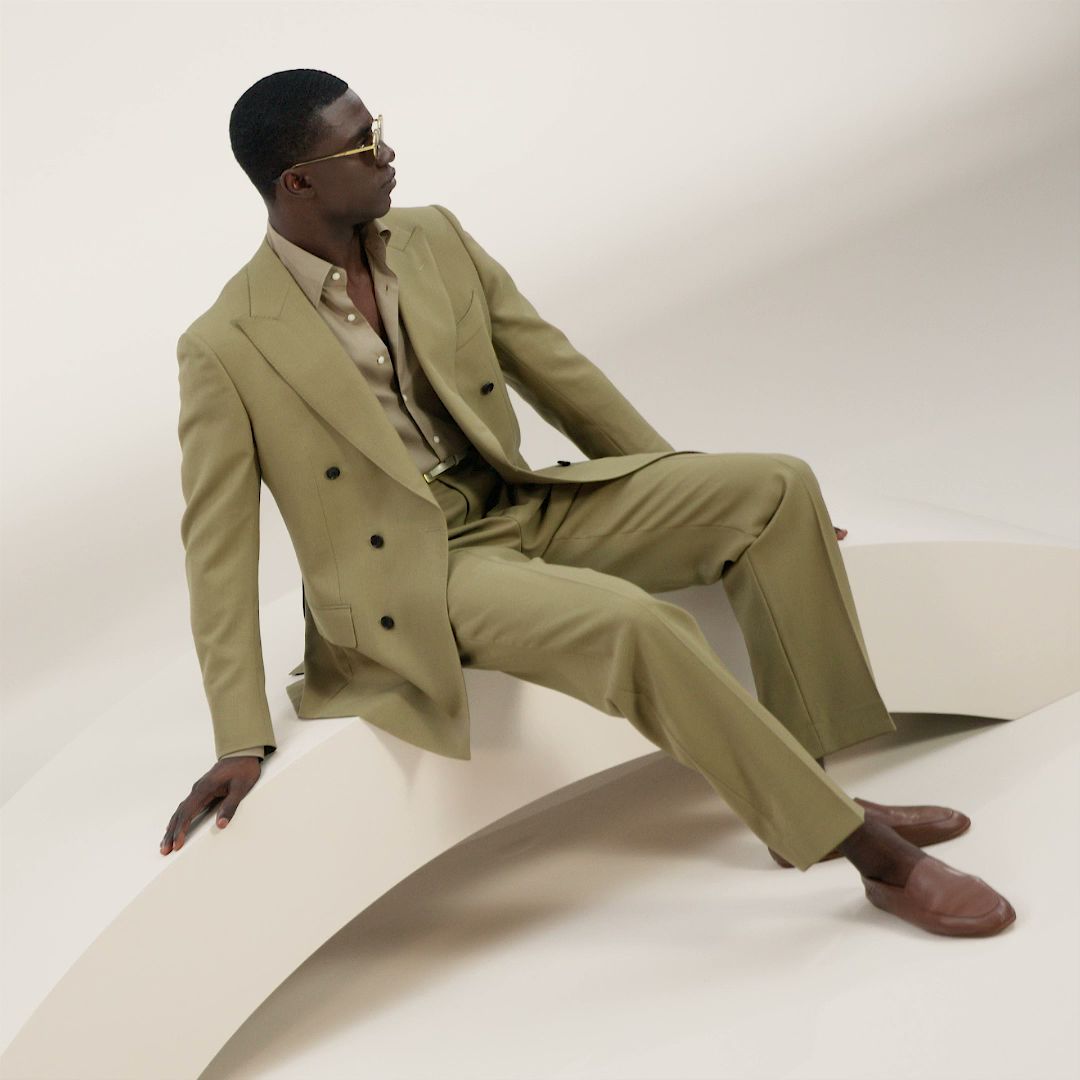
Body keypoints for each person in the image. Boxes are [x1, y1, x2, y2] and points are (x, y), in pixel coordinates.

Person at [160, 69, 1016, 938]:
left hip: (519, 500)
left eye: (376, 127)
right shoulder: (226, 344)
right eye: (362, 145)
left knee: (776, 488)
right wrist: (239, 735)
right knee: (635, 624)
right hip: (418, 574)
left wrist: (689, 497)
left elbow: (559, 373)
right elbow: (217, 548)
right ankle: (878, 859)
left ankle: (814, 794)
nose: (388, 153)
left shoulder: (433, 237)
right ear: (298, 182)